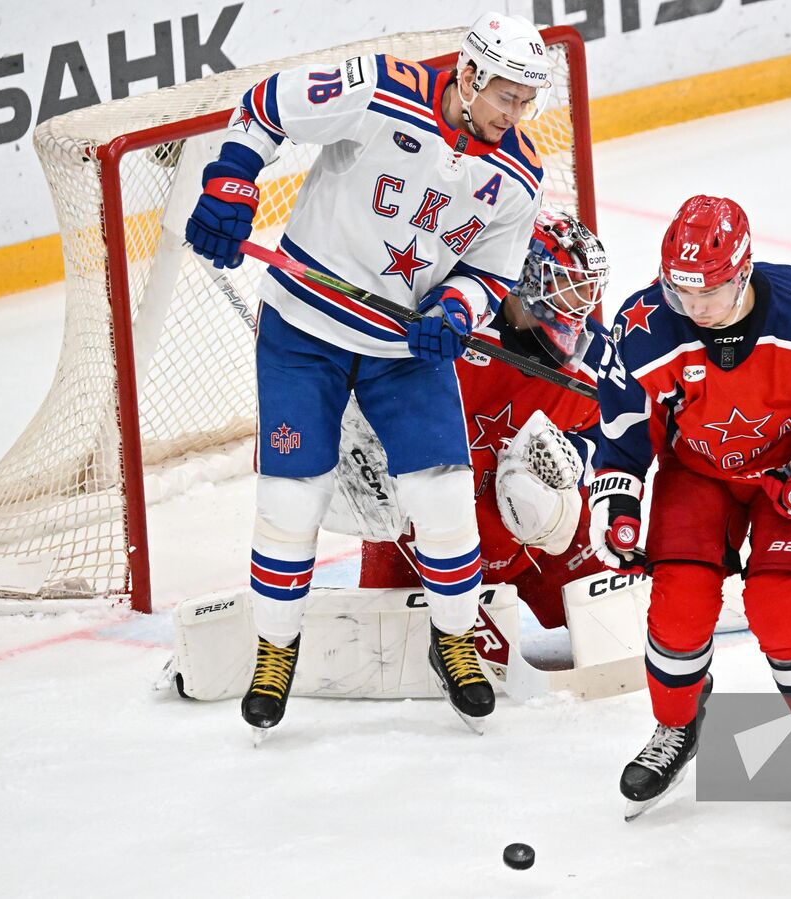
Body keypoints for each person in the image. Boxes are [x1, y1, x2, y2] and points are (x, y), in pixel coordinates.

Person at [184, 11, 551, 733]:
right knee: (291, 502)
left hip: (399, 347)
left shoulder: (518, 172)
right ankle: (275, 650)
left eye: (526, 102)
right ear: (469, 75)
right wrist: (231, 180)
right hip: (303, 331)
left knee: (444, 500)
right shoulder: (381, 88)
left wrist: (455, 308)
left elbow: (492, 269)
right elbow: (267, 105)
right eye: (507, 95)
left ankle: (455, 638)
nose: (516, 115)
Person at [589, 195, 791, 817]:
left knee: (782, 609)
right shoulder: (645, 324)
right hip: (697, 471)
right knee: (678, 609)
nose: (694, 309)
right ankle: (678, 725)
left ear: (744, 272)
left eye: (710, 294)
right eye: (681, 293)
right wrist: (616, 500)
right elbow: (623, 429)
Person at [359, 209, 607, 630]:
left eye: (583, 289)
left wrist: (567, 472)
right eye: (565, 285)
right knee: (378, 652)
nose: (578, 303)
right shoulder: (443, 328)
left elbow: (606, 434)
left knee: (619, 626)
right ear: (523, 277)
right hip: (418, 543)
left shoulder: (592, 360)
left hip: (538, 544)